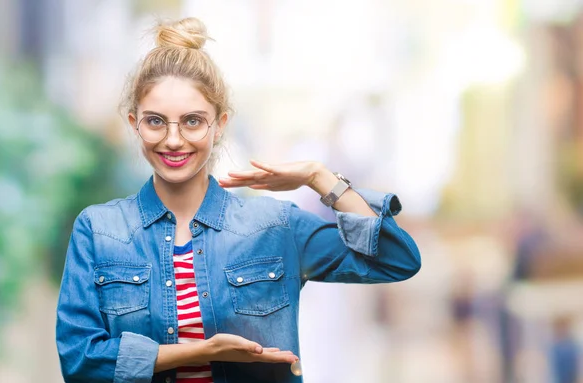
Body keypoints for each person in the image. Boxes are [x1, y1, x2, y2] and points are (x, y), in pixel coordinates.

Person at [55, 17, 421, 383]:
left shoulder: (275, 227)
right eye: (155, 121)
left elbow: (396, 259)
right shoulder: (99, 230)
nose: (173, 139)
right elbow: (80, 361)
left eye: (193, 121)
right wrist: (203, 351)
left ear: (220, 124)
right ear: (135, 123)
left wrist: (318, 177)